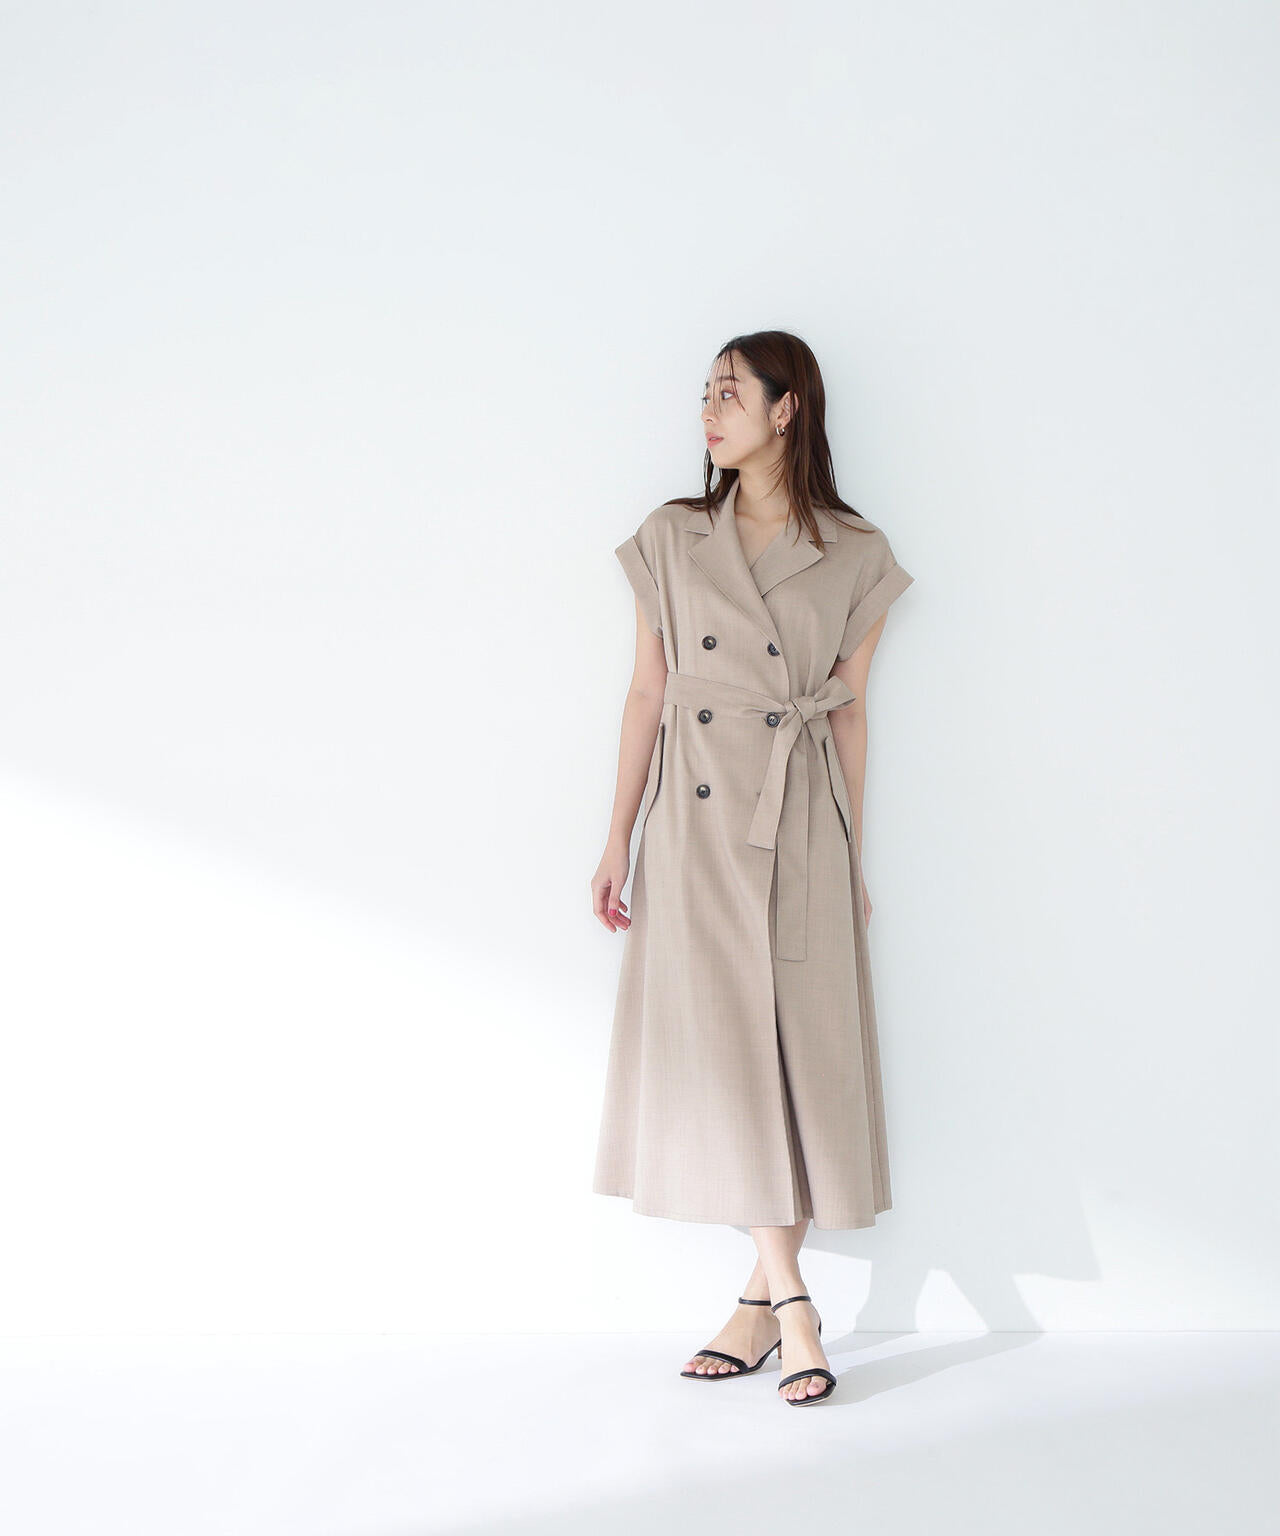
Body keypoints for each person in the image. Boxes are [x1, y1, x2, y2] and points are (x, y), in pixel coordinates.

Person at [589, 331, 915, 1406]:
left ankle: (757, 1303)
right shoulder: (671, 536)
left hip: (799, 822)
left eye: (729, 393)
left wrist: (851, 853)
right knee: (729, 1059)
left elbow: (849, 714)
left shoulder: (855, 551)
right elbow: (647, 693)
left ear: (786, 409)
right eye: (704, 394)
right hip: (694, 826)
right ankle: (796, 1306)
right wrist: (616, 835)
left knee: (797, 1061)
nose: (707, 411)